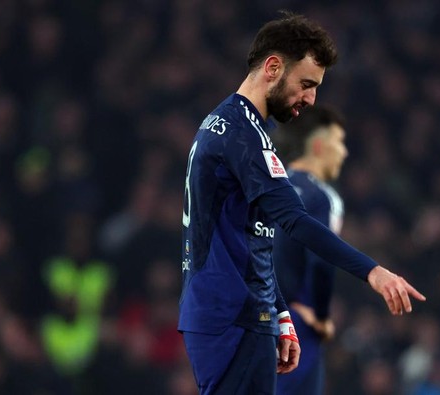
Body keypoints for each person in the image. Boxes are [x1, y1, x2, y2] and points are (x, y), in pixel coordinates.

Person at [178, 11, 426, 395]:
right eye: (306, 84)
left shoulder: (232, 125)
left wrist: (278, 311)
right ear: (273, 67)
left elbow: (252, 236)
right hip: (232, 313)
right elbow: (296, 220)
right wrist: (373, 273)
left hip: (233, 309)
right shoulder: (242, 137)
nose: (311, 99)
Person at [272, 106, 348, 395]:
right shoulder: (322, 198)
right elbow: (319, 262)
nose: (342, 152)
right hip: (296, 318)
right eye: (338, 143)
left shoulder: (269, 185)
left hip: (253, 311)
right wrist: (322, 316)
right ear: (317, 146)